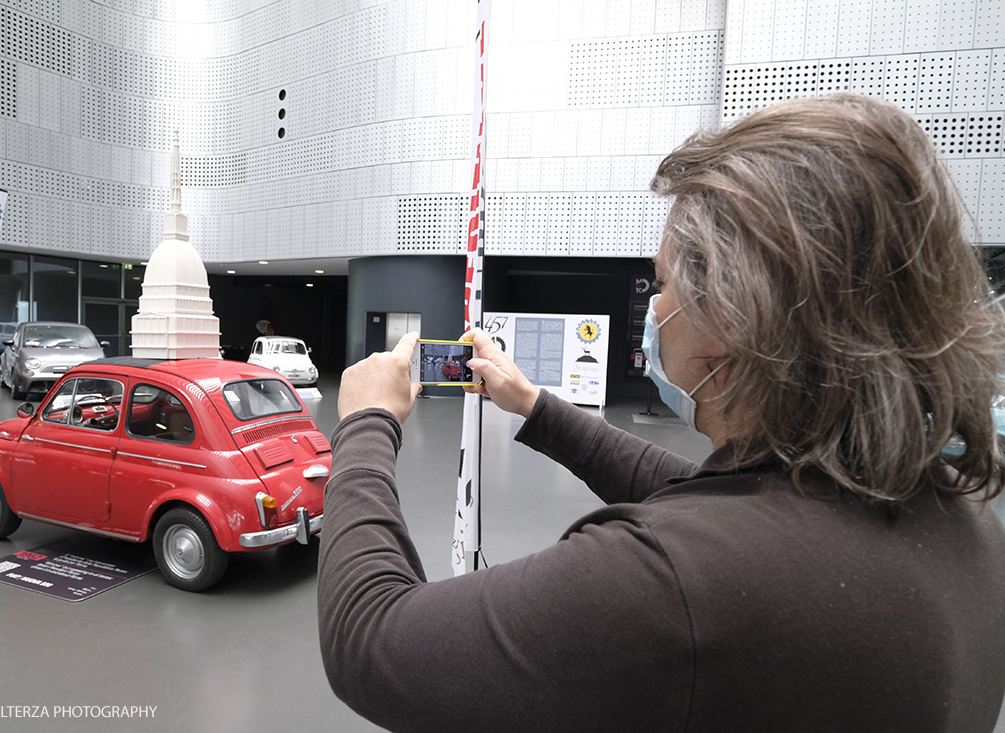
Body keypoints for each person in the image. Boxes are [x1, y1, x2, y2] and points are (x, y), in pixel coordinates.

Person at [316, 94, 1005, 732]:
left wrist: (367, 423)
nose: (653, 306)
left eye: (665, 281)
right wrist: (531, 403)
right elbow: (695, 495)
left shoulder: (672, 585)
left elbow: (371, 638)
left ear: (732, 323)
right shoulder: (957, 513)